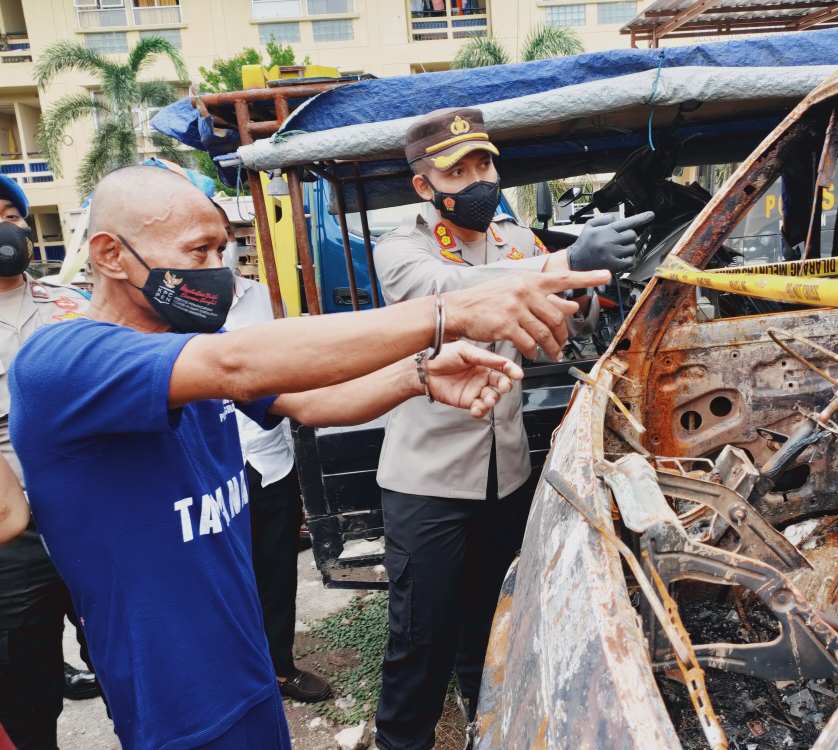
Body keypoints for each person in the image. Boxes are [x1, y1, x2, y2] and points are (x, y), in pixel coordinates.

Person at [9, 165, 608, 750]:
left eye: (222, 249)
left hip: (244, 663)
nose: (219, 270)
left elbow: (314, 403)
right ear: (111, 255)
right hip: (176, 696)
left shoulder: (189, 351)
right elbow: (237, 365)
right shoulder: (64, 361)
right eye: (198, 252)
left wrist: (420, 375)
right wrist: (451, 313)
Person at [372, 107, 653, 750]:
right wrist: (564, 261)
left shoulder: (516, 242)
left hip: (506, 473)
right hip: (429, 482)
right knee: (420, 639)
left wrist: (590, 284)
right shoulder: (403, 249)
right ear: (423, 185)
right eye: (459, 172)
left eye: (485, 164)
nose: (479, 180)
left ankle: (485, 727)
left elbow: (567, 323)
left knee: (494, 620)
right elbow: (450, 295)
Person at [0, 175, 100, 750]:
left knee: (120, 655)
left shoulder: (75, 307)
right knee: (23, 685)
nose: (3, 229)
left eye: (10, 215)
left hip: (89, 515)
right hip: (11, 536)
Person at [217, 204, 330, 702]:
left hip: (269, 459)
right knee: (223, 580)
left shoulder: (264, 298)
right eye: (200, 244)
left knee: (277, 570)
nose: (218, 252)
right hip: (213, 470)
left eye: (222, 238)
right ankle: (232, 677)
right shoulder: (167, 316)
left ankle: (279, 669)